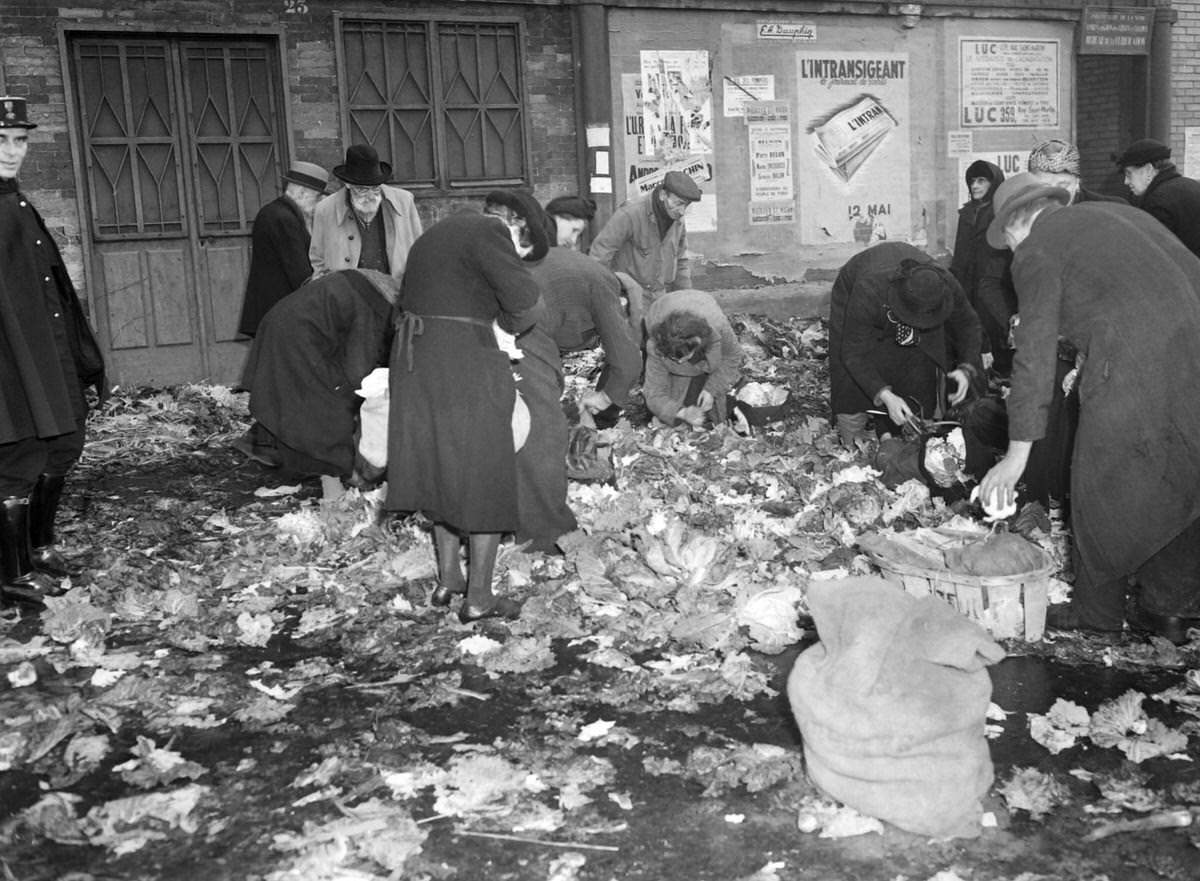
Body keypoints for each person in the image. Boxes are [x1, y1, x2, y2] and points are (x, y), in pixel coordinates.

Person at [979, 173, 1200, 644]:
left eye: (1008, 241)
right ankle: (1171, 610)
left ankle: (1095, 617)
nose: (1011, 251)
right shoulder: (1120, 213)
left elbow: (1034, 356)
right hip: (1192, 352)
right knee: (1184, 472)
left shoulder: (1037, 249)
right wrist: (1088, 353)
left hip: (1141, 364)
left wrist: (1017, 455)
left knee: (1099, 478)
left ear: (1017, 223)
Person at [385, 201, 544, 623]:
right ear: (511, 222)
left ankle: (449, 578)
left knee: (440, 464)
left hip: (416, 359)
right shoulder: (490, 232)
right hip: (461, 360)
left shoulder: (433, 236)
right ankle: (479, 598)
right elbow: (526, 300)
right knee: (483, 468)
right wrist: (507, 328)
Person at [0, 96, 106, 606]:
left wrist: (79, 357)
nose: (11, 151)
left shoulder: (18, 203)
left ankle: (39, 546)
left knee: (64, 446)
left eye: (19, 141)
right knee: (20, 460)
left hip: (49, 357)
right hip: (12, 368)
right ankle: (12, 572)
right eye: (1, 141)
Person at [1017, 139, 1127, 508]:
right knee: (1044, 410)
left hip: (1105, 335)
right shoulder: (1026, 214)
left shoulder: (1111, 210)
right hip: (1049, 334)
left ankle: (1087, 502)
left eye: (1060, 182)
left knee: (1095, 420)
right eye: (1040, 183)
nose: (1050, 192)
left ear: (1077, 180)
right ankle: (1041, 500)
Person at [239, 269, 399, 499]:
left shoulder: (382, 289)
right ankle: (335, 485)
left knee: (296, 401)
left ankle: (292, 471)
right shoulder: (379, 309)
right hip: (298, 334)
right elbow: (359, 373)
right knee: (328, 403)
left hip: (285, 324)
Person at [480, 190, 579, 552]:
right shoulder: (486, 247)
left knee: (530, 433)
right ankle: (543, 532)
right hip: (513, 344)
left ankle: (523, 524)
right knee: (541, 433)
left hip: (520, 342)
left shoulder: (496, 250)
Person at [829, 242, 984, 445]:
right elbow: (852, 353)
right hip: (858, 292)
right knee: (849, 382)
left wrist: (967, 368)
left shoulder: (944, 283)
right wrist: (884, 394)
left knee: (919, 366)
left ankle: (907, 428)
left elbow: (969, 324)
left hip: (917, 305)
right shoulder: (868, 288)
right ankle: (854, 428)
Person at [533, 197, 642, 429]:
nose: (572, 242)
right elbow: (628, 357)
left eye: (578, 235)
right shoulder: (592, 274)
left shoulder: (521, 258)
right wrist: (605, 398)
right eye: (572, 230)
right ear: (552, 220)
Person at [589, 171, 702, 331]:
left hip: (660, 300)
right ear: (663, 195)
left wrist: (685, 301)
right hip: (629, 300)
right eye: (678, 203)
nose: (682, 211)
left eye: (686, 205)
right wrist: (605, 300)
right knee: (632, 351)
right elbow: (600, 256)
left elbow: (681, 260)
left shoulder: (678, 221)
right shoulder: (630, 213)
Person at [236, 160, 330, 337]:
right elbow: (300, 272)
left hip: (279, 311)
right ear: (302, 193)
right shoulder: (282, 217)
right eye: (318, 197)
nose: (319, 204)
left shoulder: (281, 213)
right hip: (279, 311)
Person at [309, 144, 422, 281]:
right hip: (349, 295)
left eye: (375, 188)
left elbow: (420, 249)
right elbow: (318, 260)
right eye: (362, 189)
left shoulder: (404, 201)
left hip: (396, 292)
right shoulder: (325, 209)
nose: (370, 195)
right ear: (348, 184)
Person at [642, 290, 743, 428]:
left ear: (698, 342)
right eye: (674, 358)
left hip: (702, 310)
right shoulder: (655, 346)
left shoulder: (718, 328)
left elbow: (732, 356)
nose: (679, 362)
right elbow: (654, 392)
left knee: (715, 413)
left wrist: (711, 390)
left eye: (684, 357)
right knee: (670, 417)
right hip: (662, 312)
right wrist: (682, 412)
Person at [950, 160, 1013, 375]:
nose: (974, 186)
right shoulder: (966, 213)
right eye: (971, 181)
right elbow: (959, 257)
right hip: (968, 288)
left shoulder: (1001, 212)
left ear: (993, 183)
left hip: (994, 287)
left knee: (998, 341)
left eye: (981, 180)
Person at [1113, 137, 1200, 258]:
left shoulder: (1157, 202)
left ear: (1148, 170)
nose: (1126, 182)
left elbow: (1156, 257)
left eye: (1129, 174)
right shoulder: (1192, 185)